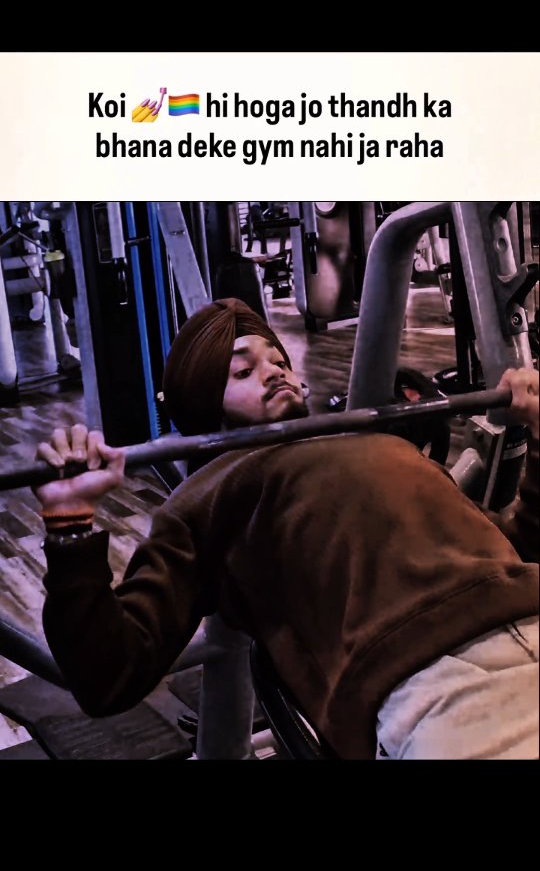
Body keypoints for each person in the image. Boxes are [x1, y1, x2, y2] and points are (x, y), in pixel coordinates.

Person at [35, 298, 539, 759]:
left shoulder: (377, 444)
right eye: (243, 370)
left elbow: (519, 544)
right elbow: (109, 675)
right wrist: (70, 522)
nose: (275, 371)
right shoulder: (206, 495)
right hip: (437, 680)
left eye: (279, 361)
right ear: (204, 395)